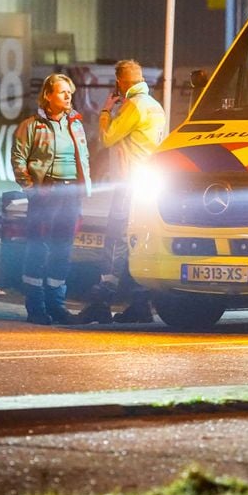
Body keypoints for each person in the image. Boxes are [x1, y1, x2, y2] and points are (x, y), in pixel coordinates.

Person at [75, 59, 167, 324]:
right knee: (137, 243)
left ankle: (101, 303)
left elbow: (107, 137)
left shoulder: (134, 106)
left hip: (129, 183)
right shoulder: (155, 106)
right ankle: (140, 305)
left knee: (115, 241)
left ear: (120, 82)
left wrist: (106, 111)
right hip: (147, 184)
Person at [11, 72, 93, 325]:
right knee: (38, 249)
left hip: (71, 194)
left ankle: (57, 306)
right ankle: (36, 308)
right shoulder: (31, 126)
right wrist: (31, 189)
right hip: (46, 193)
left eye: (70, 92)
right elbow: (18, 160)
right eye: (62, 92)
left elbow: (84, 158)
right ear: (48, 95)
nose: (68, 96)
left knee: (62, 249)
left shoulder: (75, 124)